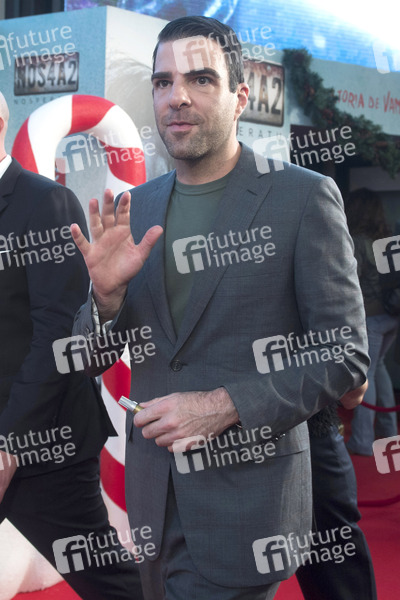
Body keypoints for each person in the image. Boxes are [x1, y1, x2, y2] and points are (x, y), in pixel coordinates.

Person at [72, 17, 369, 600]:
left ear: (240, 96)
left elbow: (345, 354)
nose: (176, 97)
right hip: (153, 503)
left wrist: (222, 406)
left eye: (200, 79)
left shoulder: (302, 197)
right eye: (163, 81)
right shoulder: (137, 207)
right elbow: (86, 358)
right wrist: (104, 299)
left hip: (246, 505)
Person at [0, 92, 144, 600]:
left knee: (108, 583)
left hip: (45, 446)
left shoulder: (45, 203)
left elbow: (56, 339)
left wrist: (9, 447)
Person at [346, 188, 399, 456]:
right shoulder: (386, 239)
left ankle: (363, 440)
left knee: (366, 375)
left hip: (371, 318)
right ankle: (389, 431)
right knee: (379, 370)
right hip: (392, 315)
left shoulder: (357, 241)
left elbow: (349, 282)